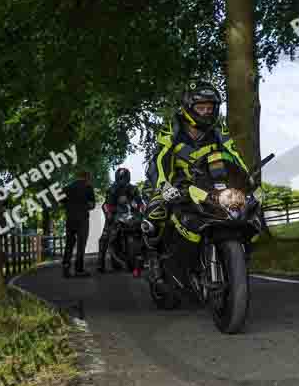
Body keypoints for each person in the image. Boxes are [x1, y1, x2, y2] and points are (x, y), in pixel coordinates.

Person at [143, 80, 249, 285]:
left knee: (245, 208)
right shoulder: (172, 128)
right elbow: (159, 158)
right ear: (188, 107)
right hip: (176, 184)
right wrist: (164, 186)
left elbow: (235, 155)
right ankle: (154, 260)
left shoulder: (219, 130)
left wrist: (248, 180)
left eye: (210, 108)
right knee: (155, 214)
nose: (206, 112)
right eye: (201, 107)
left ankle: (234, 262)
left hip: (210, 183)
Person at [97, 167, 145, 273]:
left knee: (146, 230)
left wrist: (143, 211)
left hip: (131, 215)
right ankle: (100, 264)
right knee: (105, 237)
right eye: (121, 178)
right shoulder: (112, 189)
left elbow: (140, 202)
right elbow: (107, 204)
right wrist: (109, 214)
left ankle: (148, 259)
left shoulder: (133, 188)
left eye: (124, 178)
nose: (123, 180)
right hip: (115, 214)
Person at [61, 170, 96, 278]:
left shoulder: (67, 187)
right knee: (81, 245)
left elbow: (60, 200)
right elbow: (92, 204)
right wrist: (85, 206)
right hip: (82, 220)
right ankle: (79, 270)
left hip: (70, 219)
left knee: (69, 244)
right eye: (89, 177)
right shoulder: (88, 187)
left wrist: (69, 206)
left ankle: (66, 268)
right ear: (86, 177)